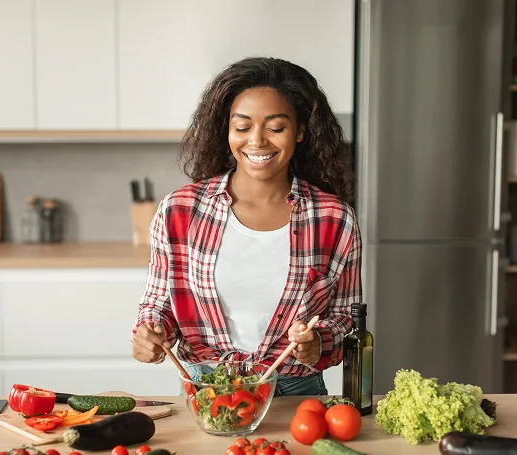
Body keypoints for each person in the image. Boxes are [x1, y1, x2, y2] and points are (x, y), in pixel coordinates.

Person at [131, 56, 362, 396]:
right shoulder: (179, 210)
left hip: (296, 394)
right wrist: (150, 332)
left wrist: (319, 342)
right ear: (225, 130)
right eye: (242, 127)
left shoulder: (334, 218)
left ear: (300, 131)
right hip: (207, 392)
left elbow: (344, 314)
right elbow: (158, 302)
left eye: (276, 127)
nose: (257, 141)